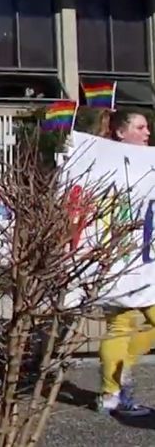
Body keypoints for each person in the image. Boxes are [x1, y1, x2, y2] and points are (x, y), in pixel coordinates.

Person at [96, 109, 155, 416]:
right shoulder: (107, 162)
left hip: (135, 258)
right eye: (140, 127)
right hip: (123, 259)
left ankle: (115, 387)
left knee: (120, 327)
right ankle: (115, 388)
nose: (148, 133)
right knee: (119, 325)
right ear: (121, 132)